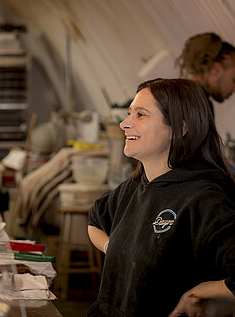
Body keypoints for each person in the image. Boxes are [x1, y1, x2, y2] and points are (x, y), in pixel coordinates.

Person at [87, 78, 235, 317]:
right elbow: (95, 221)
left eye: (141, 115)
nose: (125, 123)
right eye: (129, 113)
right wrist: (113, 248)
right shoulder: (133, 187)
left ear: (180, 128)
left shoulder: (205, 199)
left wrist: (200, 293)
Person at [177, 32, 235, 114]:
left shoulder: (179, 96)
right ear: (216, 70)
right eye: (234, 80)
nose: (234, 89)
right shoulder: (196, 106)